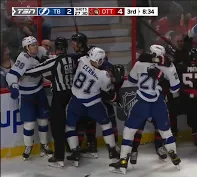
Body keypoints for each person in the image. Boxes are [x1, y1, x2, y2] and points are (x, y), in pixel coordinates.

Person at [109, 45, 181, 174]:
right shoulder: (169, 66)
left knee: (129, 131)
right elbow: (175, 89)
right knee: (166, 131)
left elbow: (131, 81)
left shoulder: (140, 63)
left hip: (142, 101)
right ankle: (174, 155)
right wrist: (163, 79)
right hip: (158, 102)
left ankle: (123, 161)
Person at [24, 37, 77, 168]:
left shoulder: (54, 61)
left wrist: (24, 69)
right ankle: (74, 154)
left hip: (59, 96)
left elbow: (33, 71)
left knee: (57, 127)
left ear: (55, 48)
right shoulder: (72, 59)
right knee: (70, 125)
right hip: (73, 95)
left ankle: (59, 157)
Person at [65, 47, 121, 167]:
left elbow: (83, 57)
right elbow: (107, 90)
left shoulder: (83, 60)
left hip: (76, 101)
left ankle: (75, 152)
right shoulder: (104, 75)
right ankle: (112, 150)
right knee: (106, 124)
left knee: (70, 126)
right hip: (93, 103)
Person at [6, 36, 52, 160]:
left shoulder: (42, 50)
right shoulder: (23, 59)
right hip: (26, 94)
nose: (36, 46)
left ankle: (44, 144)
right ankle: (28, 146)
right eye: (32, 45)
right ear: (26, 47)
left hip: (39, 90)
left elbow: (49, 61)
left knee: (43, 120)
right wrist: (14, 86)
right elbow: (11, 74)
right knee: (30, 124)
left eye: (36, 44)